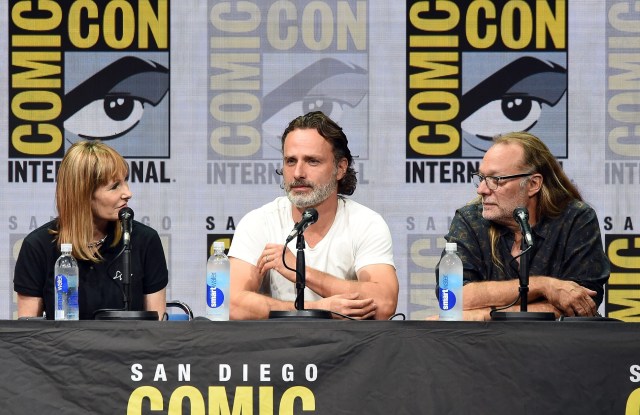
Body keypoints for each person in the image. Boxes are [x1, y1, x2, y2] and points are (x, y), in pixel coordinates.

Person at [229, 111, 399, 320]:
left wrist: (301, 271)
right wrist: (317, 310)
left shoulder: (366, 223)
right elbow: (232, 304)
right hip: (278, 350)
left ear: (340, 168)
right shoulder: (258, 222)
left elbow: (385, 303)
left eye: (312, 161)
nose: (298, 173)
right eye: (291, 161)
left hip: (347, 350)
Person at [436, 131, 609, 320]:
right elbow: (451, 297)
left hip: (558, 346)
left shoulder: (576, 219)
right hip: (486, 346)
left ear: (533, 184)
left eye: (496, 180)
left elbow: (580, 306)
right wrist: (545, 286)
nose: (482, 189)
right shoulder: (470, 220)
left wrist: (482, 315)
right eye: (481, 177)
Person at [14, 141, 168, 320]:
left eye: (125, 180)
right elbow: (28, 334)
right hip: (64, 348)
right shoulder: (37, 247)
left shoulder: (145, 241)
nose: (128, 192)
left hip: (131, 347)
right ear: (83, 195)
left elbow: (157, 330)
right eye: (114, 186)